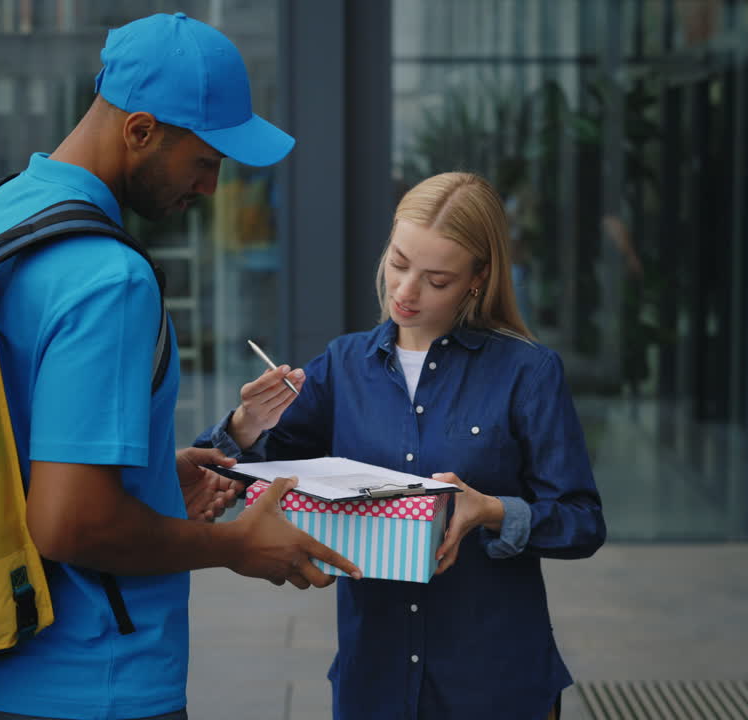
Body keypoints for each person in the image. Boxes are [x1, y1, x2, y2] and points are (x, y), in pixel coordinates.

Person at [0, 13, 359, 720]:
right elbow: (69, 524)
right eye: (206, 161)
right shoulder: (110, 279)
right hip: (93, 680)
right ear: (139, 131)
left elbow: (22, 442)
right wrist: (234, 546)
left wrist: (149, 474)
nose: (209, 188)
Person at [198, 172, 606, 719]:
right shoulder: (343, 367)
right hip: (375, 679)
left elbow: (582, 522)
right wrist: (247, 424)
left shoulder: (527, 372)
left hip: (495, 681)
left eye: (437, 280)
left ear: (477, 279)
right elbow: (223, 477)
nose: (406, 291)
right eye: (398, 262)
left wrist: (492, 512)